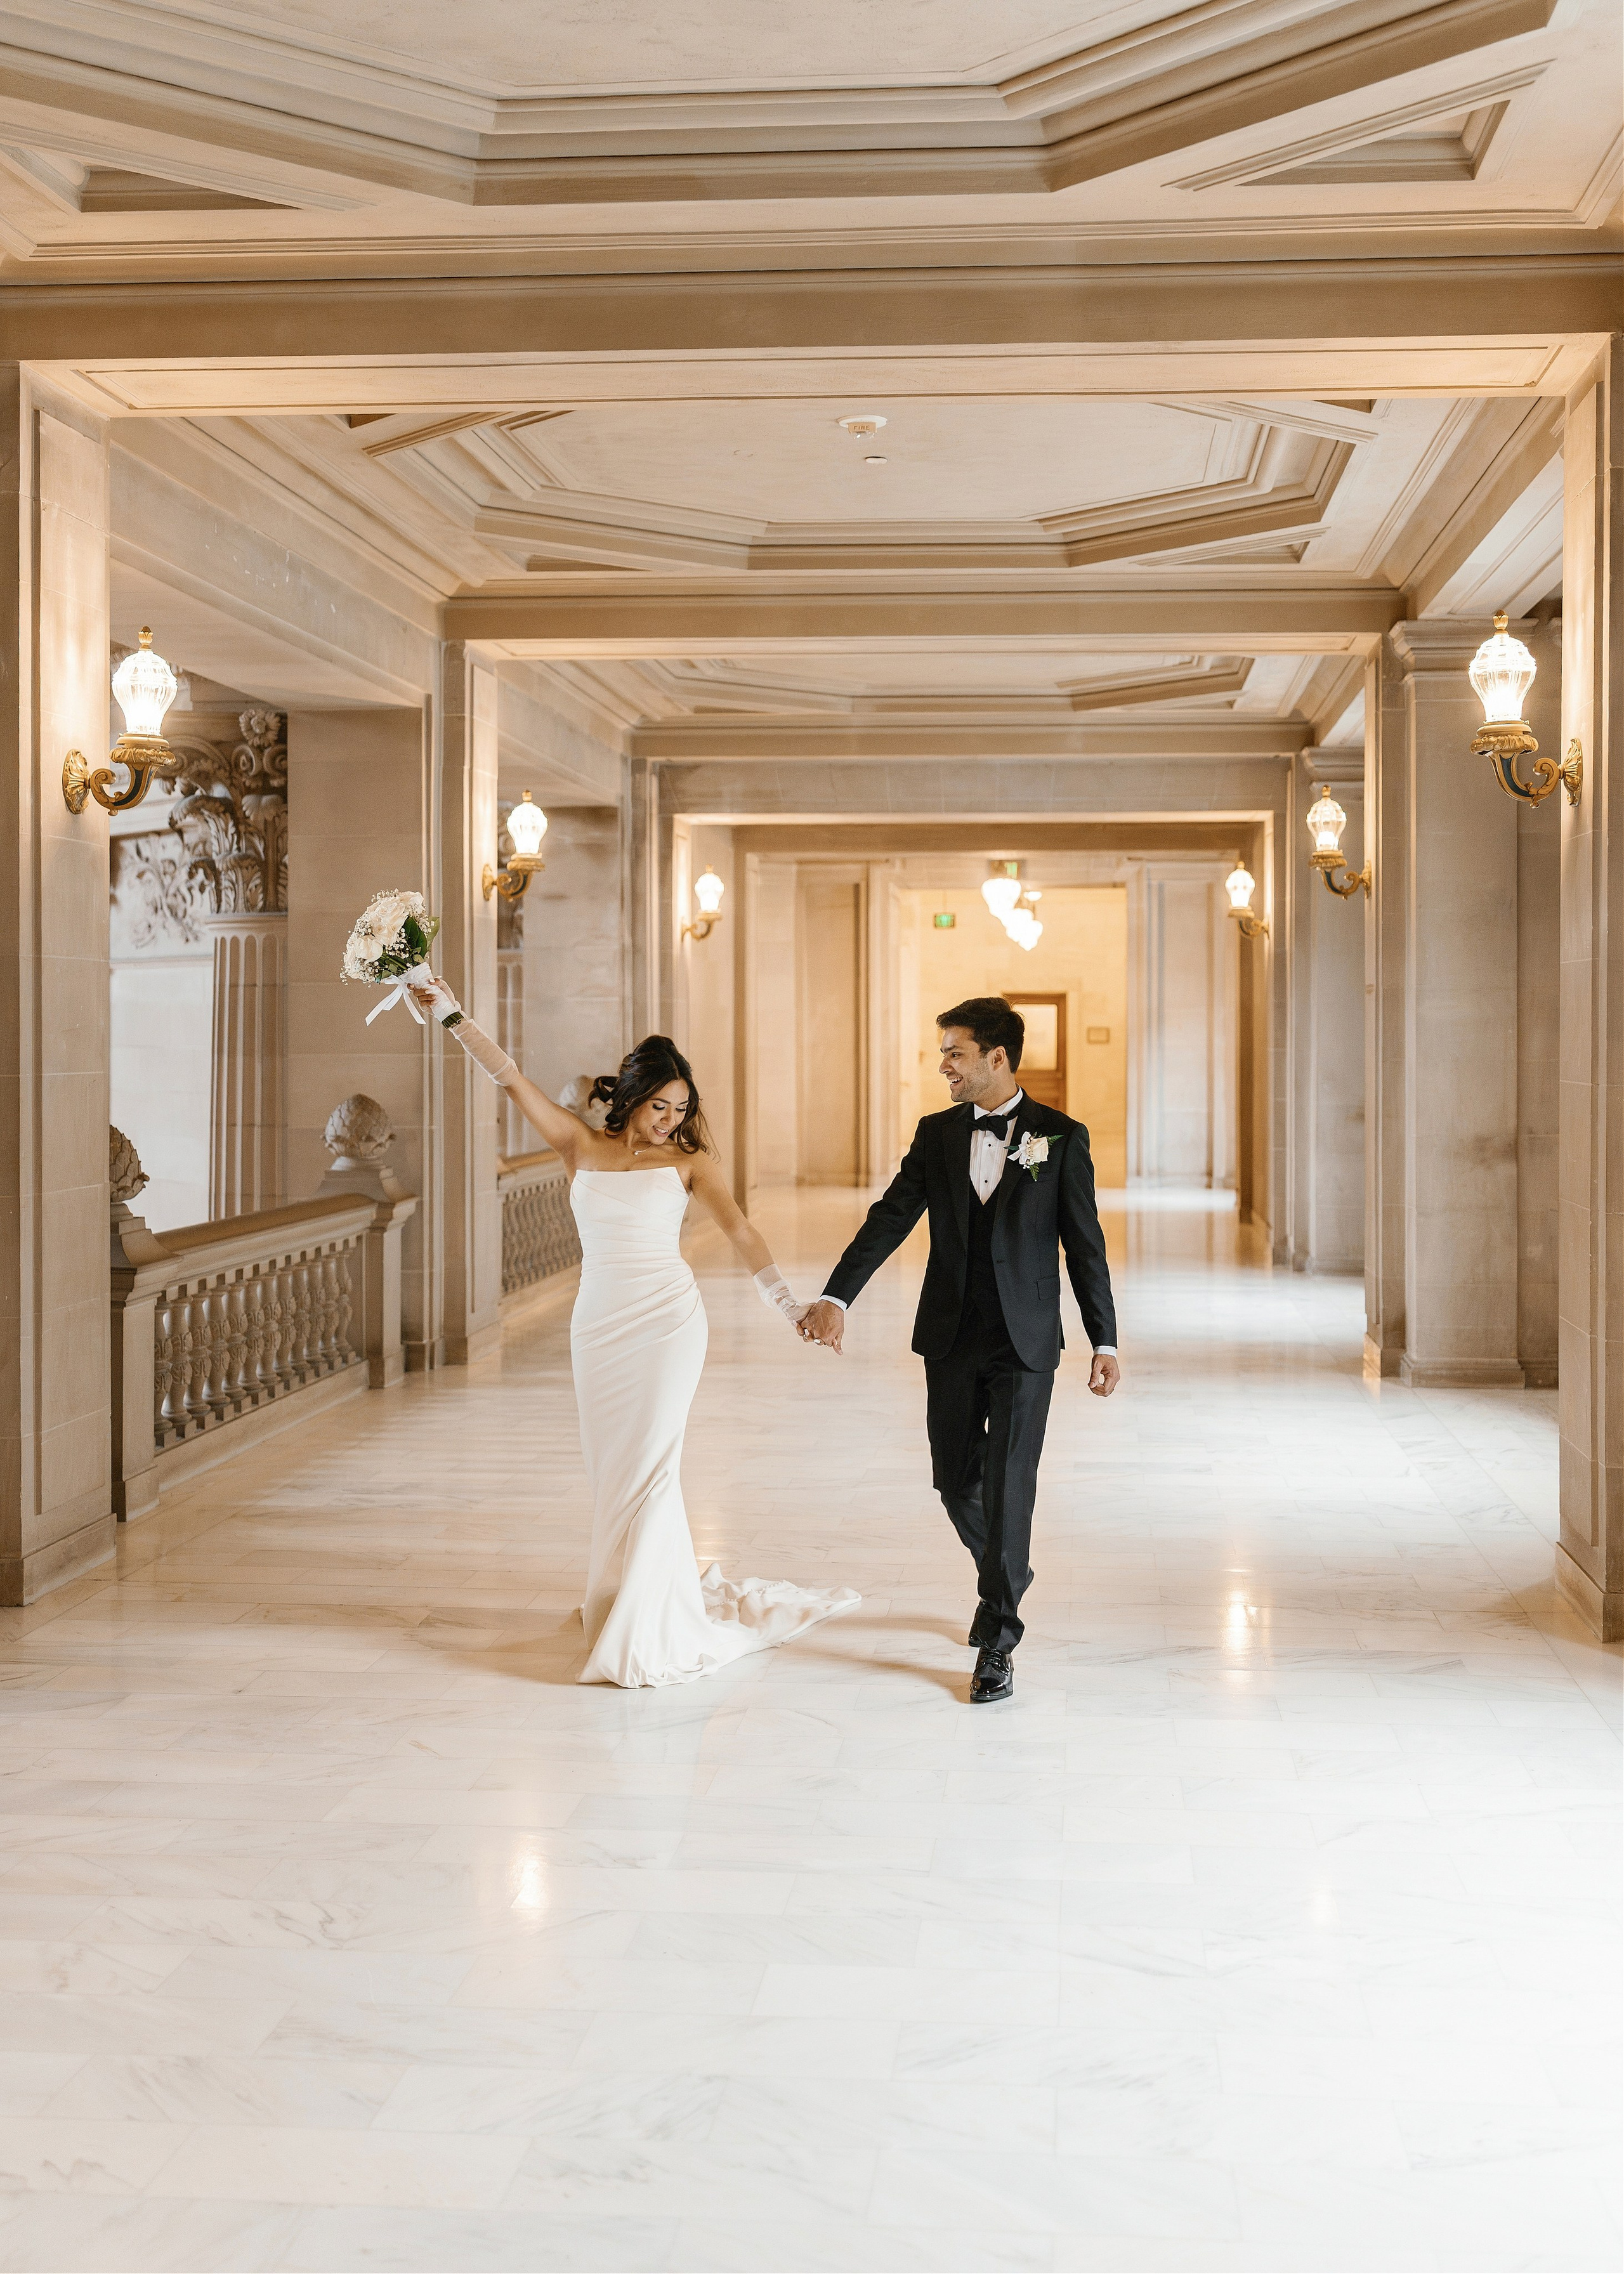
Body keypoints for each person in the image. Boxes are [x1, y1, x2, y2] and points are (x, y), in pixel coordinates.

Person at [409, 979, 857, 1689]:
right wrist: (452, 1015)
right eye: (659, 1106)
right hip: (599, 1325)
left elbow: (739, 1229)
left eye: (681, 1110)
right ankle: (621, 1595)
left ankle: (651, 1622)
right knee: (614, 1468)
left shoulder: (689, 1164)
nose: (669, 1121)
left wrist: (790, 1305)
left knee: (651, 1464)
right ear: (632, 1097)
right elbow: (509, 1079)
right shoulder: (578, 1143)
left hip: (668, 1323)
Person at [799, 997, 1118, 1705]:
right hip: (949, 1336)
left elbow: (1083, 1244)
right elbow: (890, 1217)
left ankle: (999, 1637)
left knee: (1010, 1486)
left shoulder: (1059, 1137)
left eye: (954, 1052)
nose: (942, 1064)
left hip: (1026, 1341)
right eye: (943, 1052)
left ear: (996, 1058)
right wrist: (836, 1296)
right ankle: (1003, 1573)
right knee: (954, 1481)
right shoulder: (936, 1134)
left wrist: (1105, 1338)